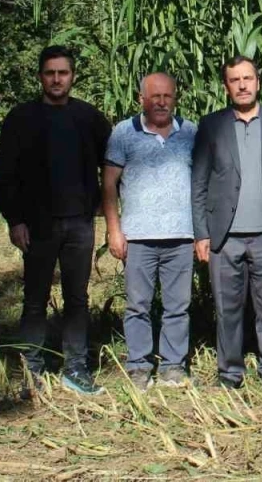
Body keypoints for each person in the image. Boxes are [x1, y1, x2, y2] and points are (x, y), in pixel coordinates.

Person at [0, 45, 111, 396]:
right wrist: (15, 220)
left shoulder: (90, 118)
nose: (57, 79)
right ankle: (32, 371)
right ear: (40, 77)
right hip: (38, 225)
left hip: (79, 224)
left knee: (77, 298)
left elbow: (113, 167)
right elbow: (5, 175)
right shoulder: (21, 118)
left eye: (63, 73)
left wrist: (106, 207)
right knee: (34, 298)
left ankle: (75, 369)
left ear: (73, 76)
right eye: (50, 73)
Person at [191, 55, 262, 391]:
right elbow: (199, 183)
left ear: (258, 82)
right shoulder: (212, 125)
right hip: (225, 237)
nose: (243, 85)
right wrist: (201, 232)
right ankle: (230, 373)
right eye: (235, 80)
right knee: (227, 310)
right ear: (226, 86)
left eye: (248, 78)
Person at [102, 73, 197, 390]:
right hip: (138, 237)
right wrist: (114, 230)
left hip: (181, 236)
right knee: (138, 305)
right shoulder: (123, 132)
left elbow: (203, 183)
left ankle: (173, 366)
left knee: (177, 306)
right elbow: (109, 183)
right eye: (154, 96)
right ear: (141, 98)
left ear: (175, 98)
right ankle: (139, 366)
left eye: (167, 96)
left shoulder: (190, 133)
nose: (161, 102)